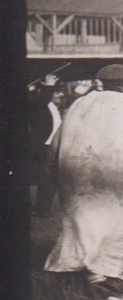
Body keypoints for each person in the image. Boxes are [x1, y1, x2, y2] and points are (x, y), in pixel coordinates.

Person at [44, 63, 123, 300]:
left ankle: (67, 276)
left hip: (74, 172)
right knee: (119, 229)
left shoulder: (79, 104)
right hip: (113, 175)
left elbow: (56, 142)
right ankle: (109, 287)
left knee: (80, 226)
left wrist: (53, 175)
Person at [28, 75, 65, 217]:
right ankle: (40, 211)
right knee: (43, 179)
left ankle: (42, 210)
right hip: (42, 148)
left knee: (50, 180)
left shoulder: (52, 106)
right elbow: (42, 100)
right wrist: (48, 86)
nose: (60, 94)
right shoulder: (37, 104)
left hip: (53, 148)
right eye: (56, 92)